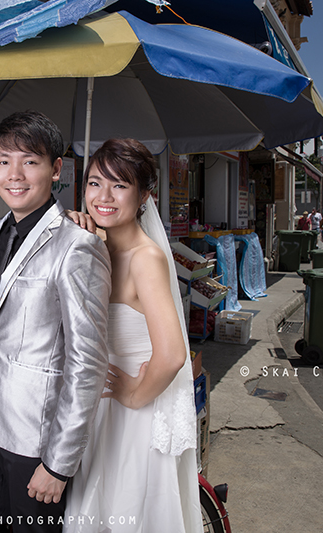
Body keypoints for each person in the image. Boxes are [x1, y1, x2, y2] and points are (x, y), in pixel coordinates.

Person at [0, 111, 111, 532]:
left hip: (38, 436)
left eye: (29, 161)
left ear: (55, 169)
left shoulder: (76, 246)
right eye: (3, 160)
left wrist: (59, 463)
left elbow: (88, 362)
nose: (14, 174)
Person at [65, 139, 201, 532]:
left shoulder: (146, 258)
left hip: (133, 414)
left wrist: (132, 395)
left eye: (119, 185)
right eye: (94, 183)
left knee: (126, 511)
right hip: (98, 406)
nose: (103, 196)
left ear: (144, 196)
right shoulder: (97, 247)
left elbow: (173, 354)